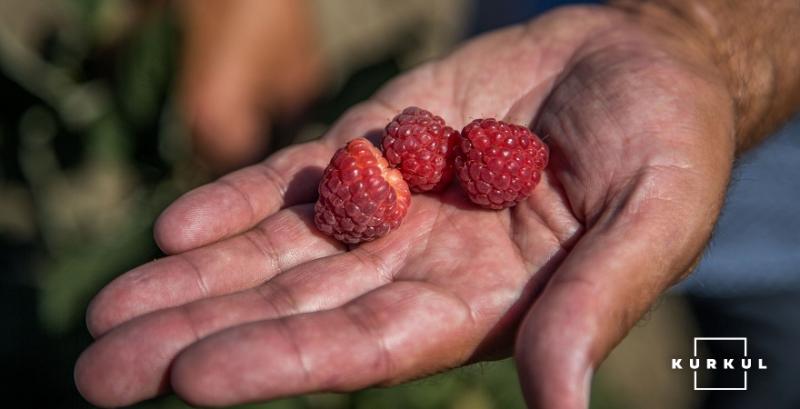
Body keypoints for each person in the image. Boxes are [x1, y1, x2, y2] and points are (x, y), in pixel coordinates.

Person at [73, 1, 800, 408]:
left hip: (785, 263)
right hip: (545, 65)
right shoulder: (459, 146)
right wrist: (682, 26)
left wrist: (703, 38)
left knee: (752, 378)